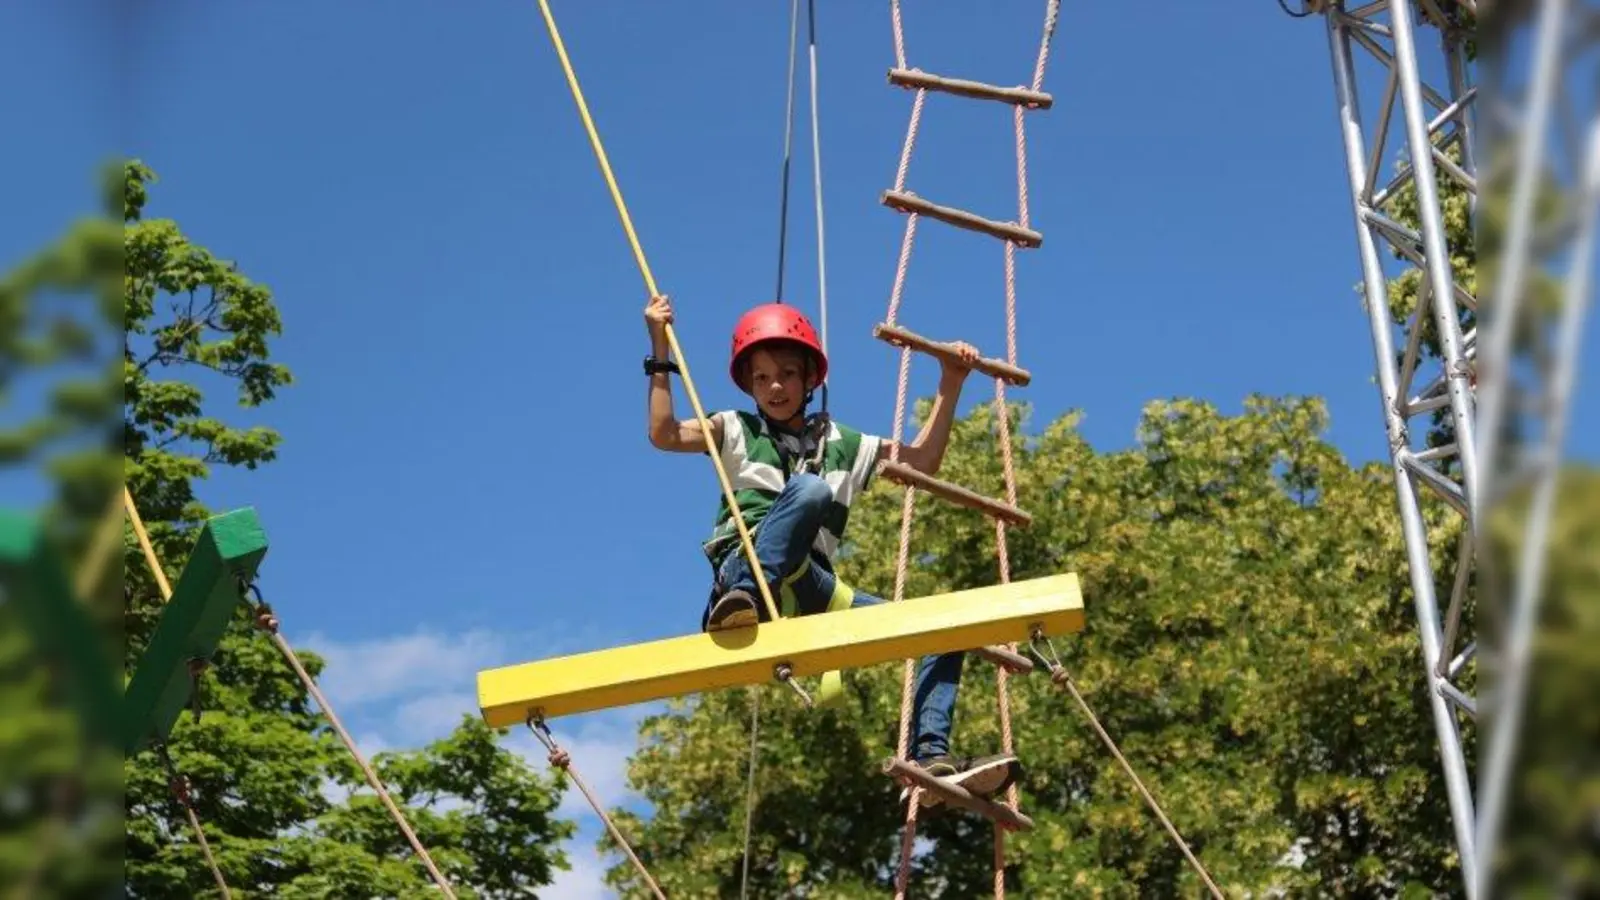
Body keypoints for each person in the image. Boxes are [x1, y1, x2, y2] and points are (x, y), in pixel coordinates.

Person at [642, 294, 1021, 807]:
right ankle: (743, 600)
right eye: (761, 378)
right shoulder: (735, 429)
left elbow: (922, 462)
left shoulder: (840, 442)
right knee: (810, 492)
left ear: (809, 379)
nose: (774, 387)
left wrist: (950, 385)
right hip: (746, 567)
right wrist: (659, 347)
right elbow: (664, 434)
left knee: (944, 628)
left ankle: (933, 759)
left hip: (813, 589)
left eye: (786, 375)